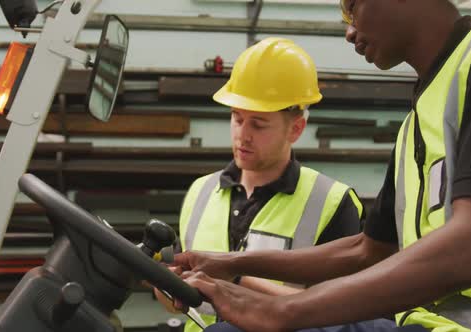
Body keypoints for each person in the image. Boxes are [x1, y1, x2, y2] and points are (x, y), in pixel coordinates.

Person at [171, 1, 471, 331]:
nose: (349, 31)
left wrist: (281, 311)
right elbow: (367, 250)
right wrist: (231, 263)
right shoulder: (414, 125)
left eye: (352, 6)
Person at [155, 37, 365, 331]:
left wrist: (238, 278)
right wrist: (164, 283)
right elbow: (182, 300)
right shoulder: (200, 192)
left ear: (296, 128)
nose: (243, 135)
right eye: (237, 119)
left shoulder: (331, 202)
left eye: (259, 123)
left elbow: (341, 313)